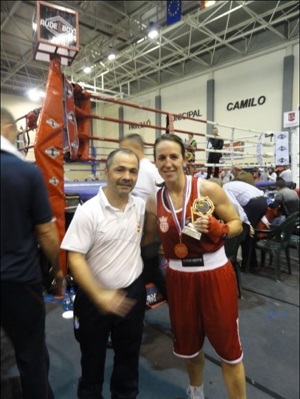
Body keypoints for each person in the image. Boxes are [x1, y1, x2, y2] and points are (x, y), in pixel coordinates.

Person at [145, 134, 247, 399]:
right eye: (162, 157)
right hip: (179, 278)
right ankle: (196, 392)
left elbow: (237, 224)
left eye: (173, 156)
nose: (168, 163)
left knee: (229, 351)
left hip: (214, 275)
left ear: (184, 159)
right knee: (188, 346)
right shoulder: (152, 200)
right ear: (155, 162)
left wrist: (220, 228)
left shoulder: (207, 189)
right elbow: (148, 238)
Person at [61, 148, 148, 399]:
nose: (127, 176)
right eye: (120, 169)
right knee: (92, 357)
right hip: (93, 295)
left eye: (133, 171)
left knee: (129, 356)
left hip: (131, 292)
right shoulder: (89, 211)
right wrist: (99, 294)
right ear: (106, 171)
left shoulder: (140, 206)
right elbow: (74, 256)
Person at [1, 107, 63, 399]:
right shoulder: (25, 172)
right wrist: (58, 268)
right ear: (7, 128)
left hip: (17, 280)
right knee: (31, 356)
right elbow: (47, 232)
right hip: (19, 283)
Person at [119, 134, 167, 300]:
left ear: (136, 148)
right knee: (150, 273)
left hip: (147, 235)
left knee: (139, 275)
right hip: (140, 234)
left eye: (125, 149)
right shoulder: (137, 170)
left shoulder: (148, 171)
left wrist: (150, 236)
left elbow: (162, 202)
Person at [223, 179, 268, 270]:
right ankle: (252, 262)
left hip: (254, 204)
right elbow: (259, 200)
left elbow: (237, 207)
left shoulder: (225, 189)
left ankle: (246, 265)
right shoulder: (233, 185)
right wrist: (265, 220)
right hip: (263, 202)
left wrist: (247, 223)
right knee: (250, 235)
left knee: (245, 235)